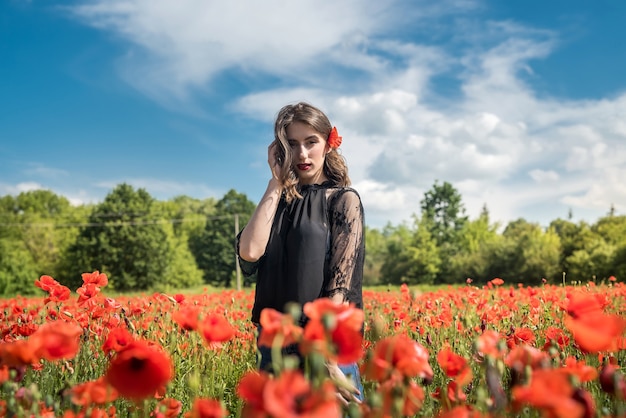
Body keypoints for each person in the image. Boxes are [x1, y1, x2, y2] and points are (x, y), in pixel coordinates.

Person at [237, 102, 365, 405]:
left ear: (328, 144)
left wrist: (326, 356)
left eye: (311, 142)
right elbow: (250, 251)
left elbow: (340, 284)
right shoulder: (274, 202)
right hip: (276, 342)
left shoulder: (343, 200)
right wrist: (276, 183)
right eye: (292, 144)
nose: (303, 154)